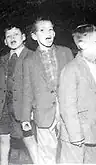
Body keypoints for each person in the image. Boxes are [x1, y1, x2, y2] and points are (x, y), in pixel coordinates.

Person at [21, 17, 73, 164]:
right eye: (42, 30)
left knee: (70, 151)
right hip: (43, 112)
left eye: (51, 29)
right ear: (34, 36)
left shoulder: (66, 52)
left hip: (67, 110)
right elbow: (27, 90)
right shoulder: (29, 61)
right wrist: (25, 117)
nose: (48, 33)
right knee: (47, 154)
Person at [58, 24, 96, 164]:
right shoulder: (71, 70)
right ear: (82, 45)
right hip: (75, 135)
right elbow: (67, 107)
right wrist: (75, 135)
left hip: (95, 132)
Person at [0, 24, 37, 165]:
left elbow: (36, 85)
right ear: (5, 41)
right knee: (3, 140)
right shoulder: (2, 60)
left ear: (23, 37)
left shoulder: (32, 56)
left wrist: (32, 108)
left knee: (29, 140)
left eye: (16, 34)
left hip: (23, 108)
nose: (12, 38)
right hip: (4, 107)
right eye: (8, 36)